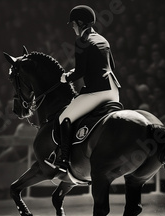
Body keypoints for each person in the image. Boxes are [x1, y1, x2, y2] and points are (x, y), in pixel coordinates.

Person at [45, 5, 121, 172]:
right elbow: (112, 66)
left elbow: (79, 72)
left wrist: (65, 77)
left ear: (80, 23)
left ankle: (64, 159)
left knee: (64, 117)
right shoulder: (103, 39)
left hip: (97, 92)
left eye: (73, 24)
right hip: (114, 92)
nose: (72, 27)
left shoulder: (82, 41)